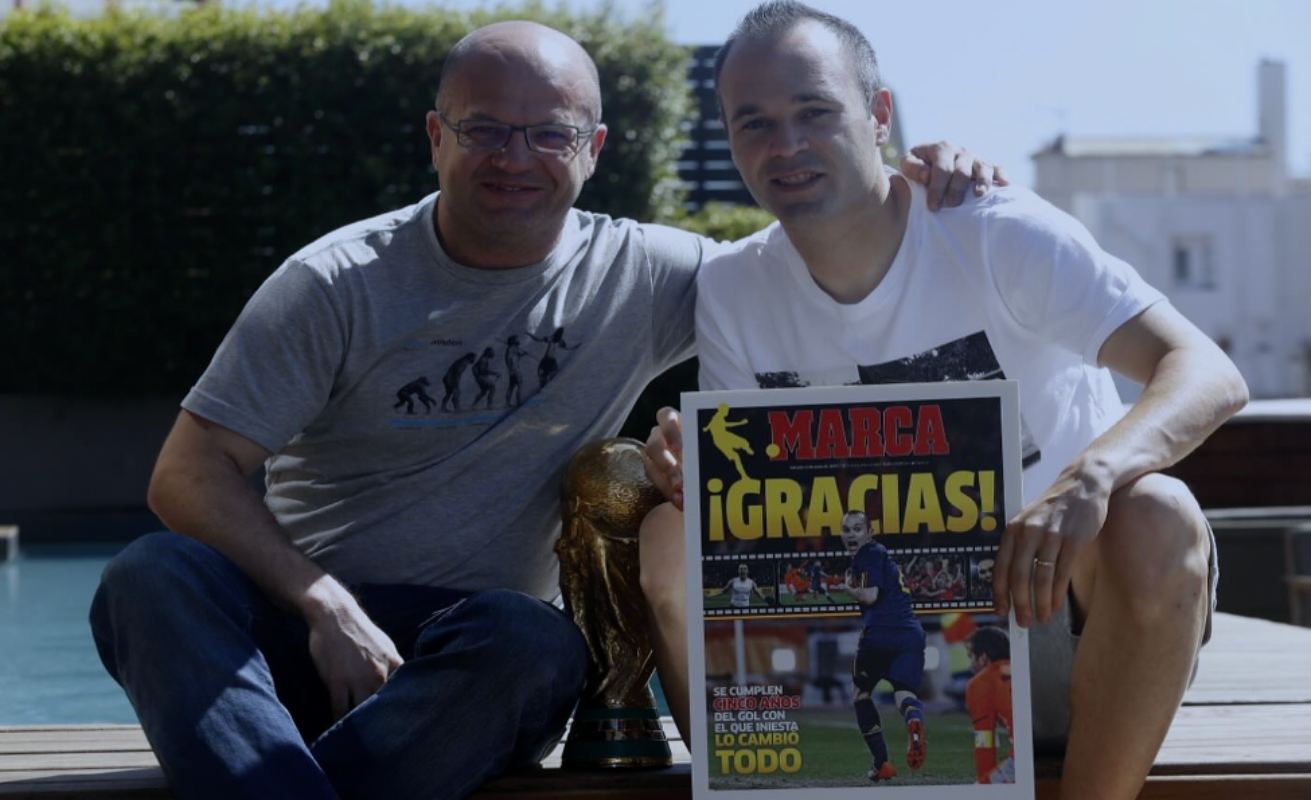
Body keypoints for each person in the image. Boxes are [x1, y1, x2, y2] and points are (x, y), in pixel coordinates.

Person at [87, 17, 1001, 800]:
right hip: (293, 634)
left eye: (550, 134)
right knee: (152, 575)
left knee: (535, 637)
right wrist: (324, 605)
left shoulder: (655, 273)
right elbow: (187, 474)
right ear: (435, 138)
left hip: (470, 663)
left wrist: (924, 183)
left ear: (593, 149)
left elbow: (822, 248)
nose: (515, 159)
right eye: (485, 129)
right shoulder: (336, 283)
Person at [639, 3, 1247, 798]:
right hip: (881, 650)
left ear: (878, 113)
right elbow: (757, 532)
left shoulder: (995, 232)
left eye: (814, 111)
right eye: (752, 123)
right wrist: (695, 477)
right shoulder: (731, 287)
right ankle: (759, 785)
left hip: (1061, 630)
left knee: (1156, 511)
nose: (784, 144)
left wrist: (1090, 477)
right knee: (666, 538)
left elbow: (1205, 370)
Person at [840, 509, 927, 781]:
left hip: (879, 634)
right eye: (846, 529)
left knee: (861, 694)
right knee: (904, 694)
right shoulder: (881, 555)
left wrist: (848, 590)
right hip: (911, 634)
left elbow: (869, 596)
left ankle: (882, 764)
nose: (851, 534)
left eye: (857, 528)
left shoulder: (868, 555)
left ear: (869, 532)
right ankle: (914, 721)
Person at [966, 626, 1016, 784]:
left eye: (971, 657)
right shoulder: (1021, 668)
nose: (970, 665)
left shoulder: (982, 682)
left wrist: (984, 784)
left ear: (983, 658)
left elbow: (985, 741)